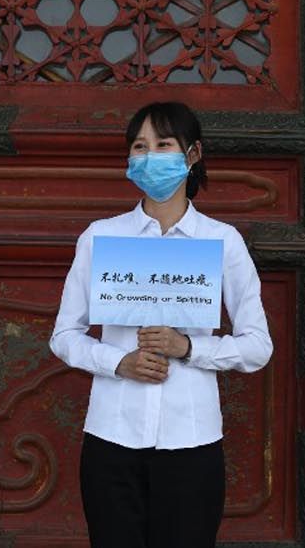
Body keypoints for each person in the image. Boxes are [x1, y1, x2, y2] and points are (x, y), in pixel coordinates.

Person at [50, 101, 273, 548]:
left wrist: (189, 348)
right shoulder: (100, 237)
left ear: (192, 156)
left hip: (191, 441)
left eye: (164, 144)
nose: (151, 156)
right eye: (140, 146)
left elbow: (257, 346)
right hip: (111, 436)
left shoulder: (222, 241)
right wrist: (119, 363)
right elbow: (64, 337)